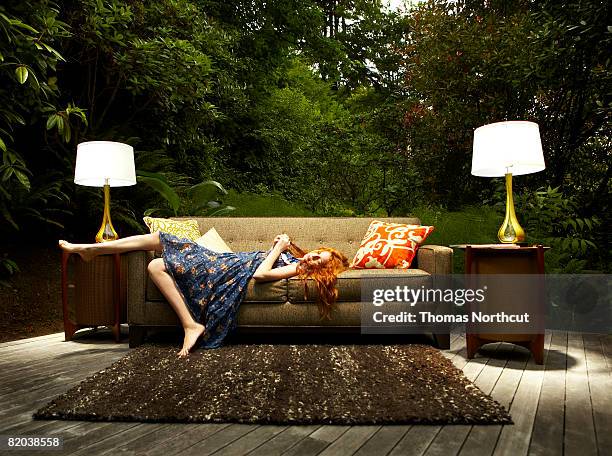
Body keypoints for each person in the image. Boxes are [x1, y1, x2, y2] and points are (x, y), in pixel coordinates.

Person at [58, 231, 349, 357]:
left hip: (225, 269)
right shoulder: (297, 257)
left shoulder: (295, 270)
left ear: (318, 271)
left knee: (161, 248)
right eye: (315, 254)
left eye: (317, 263)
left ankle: (90, 250)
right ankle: (190, 323)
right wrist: (280, 246)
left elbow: (260, 274)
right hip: (224, 261)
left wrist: (277, 248)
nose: (310, 259)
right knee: (156, 264)